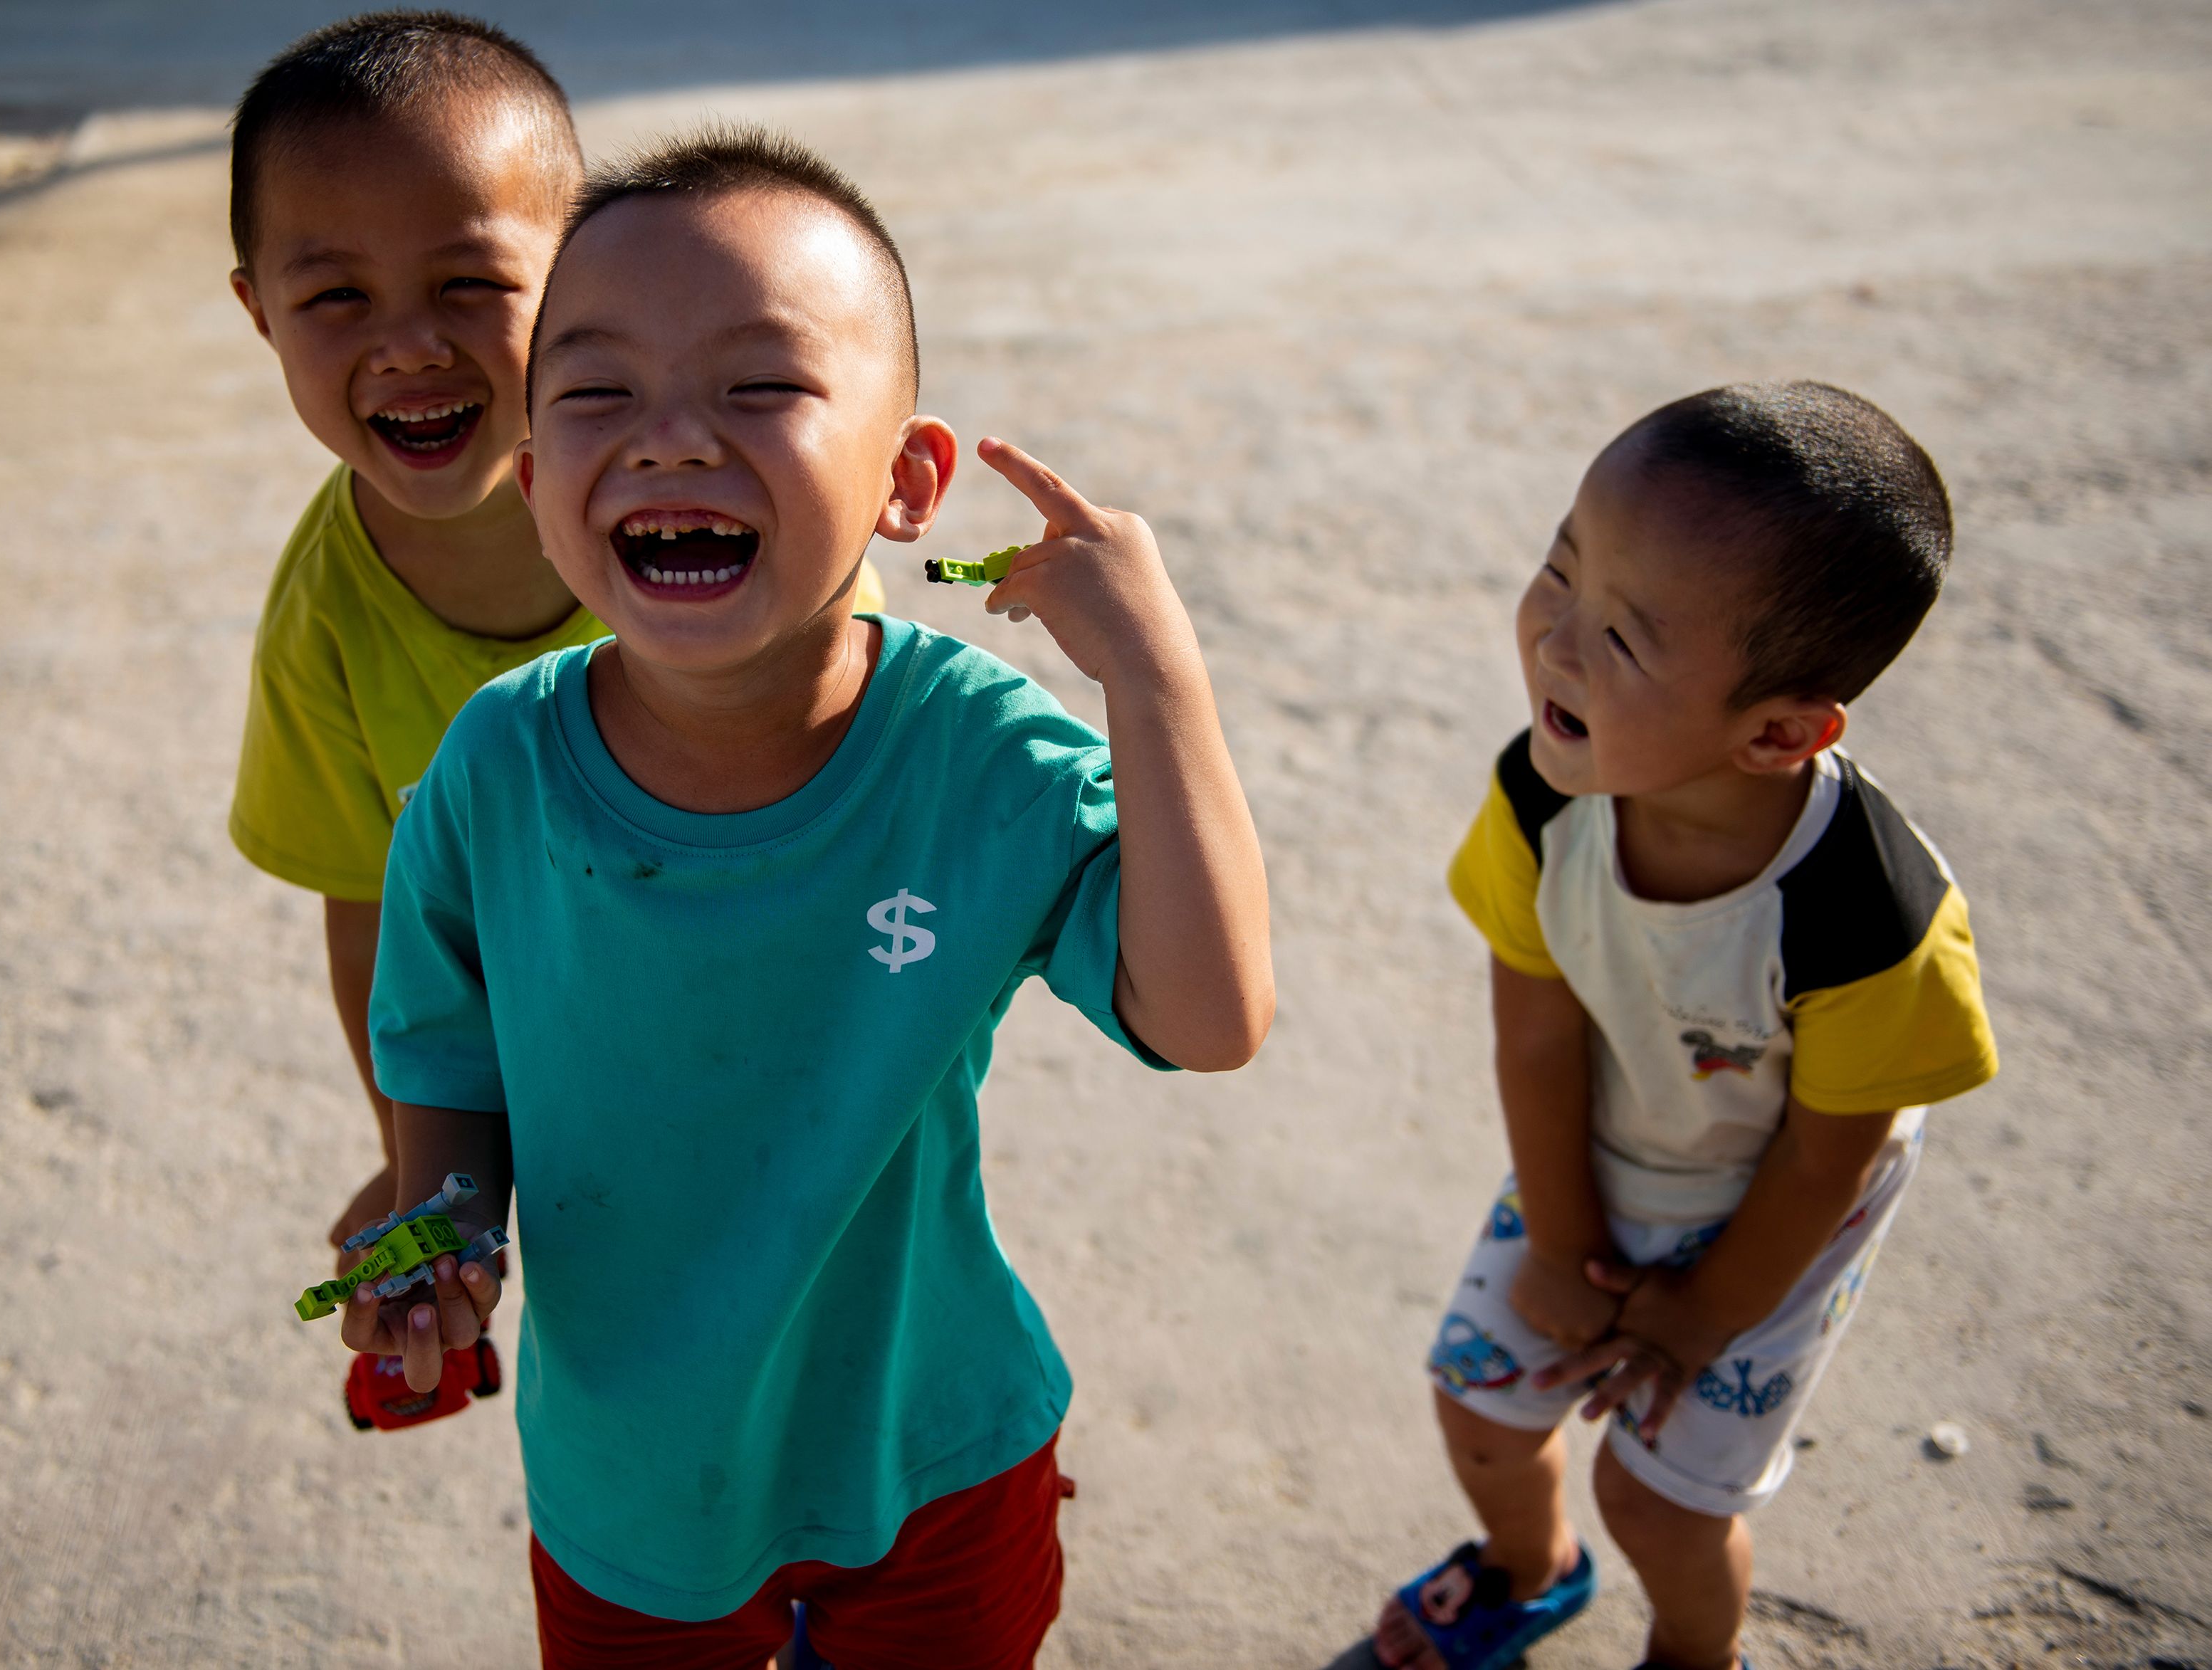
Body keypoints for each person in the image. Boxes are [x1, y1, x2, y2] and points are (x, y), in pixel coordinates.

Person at [335, 129, 1273, 1666]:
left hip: (935, 1453)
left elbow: (1211, 1017)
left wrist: (1155, 679)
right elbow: (446, 1063)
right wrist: (440, 1231)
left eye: (758, 386)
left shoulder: (975, 756)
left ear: (906, 481)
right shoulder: (494, 768)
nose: (667, 440)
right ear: (532, 484)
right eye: (592, 394)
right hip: (630, 1478)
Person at [219, 14, 886, 1326]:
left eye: (468, 282)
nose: (406, 344)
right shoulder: (323, 625)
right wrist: (436, 1181)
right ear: (257, 310)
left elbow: (869, 782)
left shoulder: (714, 524)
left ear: (578, 266)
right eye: (336, 296)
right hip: (574, 1107)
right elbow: (376, 911)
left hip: (800, 1079)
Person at [1377, 382, 1999, 1670]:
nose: (1554, 643)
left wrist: (1700, 1312)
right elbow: (1537, 1036)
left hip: (1785, 1203)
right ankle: (1524, 1566)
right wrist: (1559, 1240)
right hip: (1612, 1135)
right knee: (1480, 1403)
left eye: (1621, 637)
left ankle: (1693, 1654)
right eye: (1559, 569)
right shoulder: (1542, 800)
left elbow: (1827, 1157)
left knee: (1656, 1499)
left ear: (1777, 731)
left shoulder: (1870, 919)